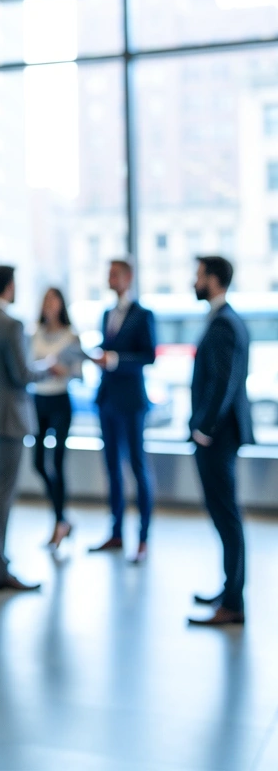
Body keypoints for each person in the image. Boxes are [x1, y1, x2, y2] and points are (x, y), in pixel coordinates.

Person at [0, 265, 64, 592]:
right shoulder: (11, 325)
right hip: (9, 415)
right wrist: (47, 368)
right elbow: (23, 375)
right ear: (9, 286)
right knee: (2, 490)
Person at [187, 256, 252, 628]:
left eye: (198, 276)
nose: (194, 282)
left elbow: (223, 383)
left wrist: (204, 429)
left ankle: (233, 602)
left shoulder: (225, 323)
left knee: (227, 517)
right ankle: (229, 589)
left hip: (218, 436)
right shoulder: (223, 318)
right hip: (219, 434)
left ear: (213, 280)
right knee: (224, 516)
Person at [89, 258, 156, 563]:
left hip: (131, 403)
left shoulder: (143, 315)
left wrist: (115, 360)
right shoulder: (106, 314)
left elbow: (148, 356)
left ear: (128, 278)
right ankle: (116, 532)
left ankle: (142, 539)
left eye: (115, 274)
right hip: (107, 401)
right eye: (109, 273)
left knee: (138, 468)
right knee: (112, 470)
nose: (110, 278)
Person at [31, 287, 83, 550]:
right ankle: (63, 517)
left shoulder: (71, 336)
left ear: (62, 304)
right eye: (46, 300)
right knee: (38, 463)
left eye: (54, 300)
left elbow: (79, 373)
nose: (49, 305)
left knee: (58, 462)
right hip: (38, 400)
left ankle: (59, 521)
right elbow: (27, 367)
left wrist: (63, 370)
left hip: (61, 400)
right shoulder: (35, 333)